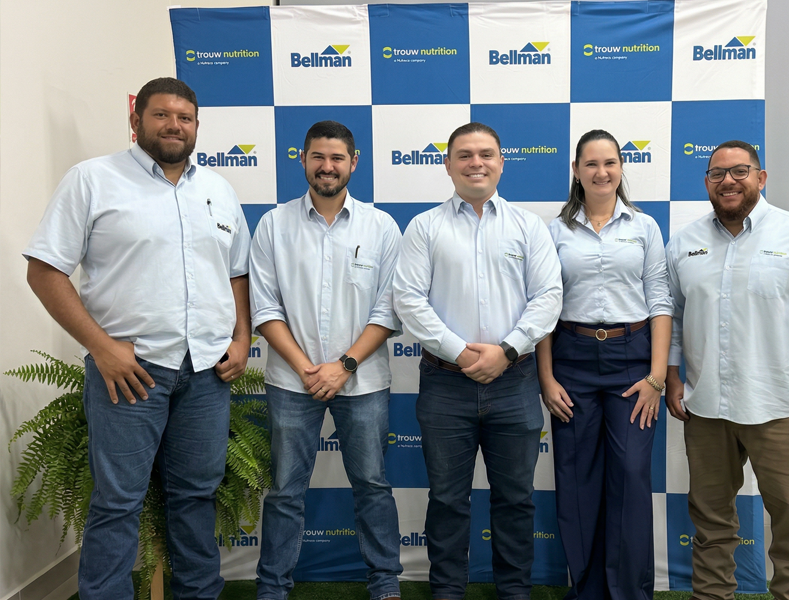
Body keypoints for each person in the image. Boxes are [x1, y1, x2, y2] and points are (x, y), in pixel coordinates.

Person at [23, 77, 251, 599]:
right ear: (136, 120)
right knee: (117, 502)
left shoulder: (218, 190)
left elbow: (236, 272)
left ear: (197, 126)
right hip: (131, 374)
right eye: (161, 115)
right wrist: (102, 348)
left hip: (207, 374)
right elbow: (45, 270)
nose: (174, 125)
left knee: (196, 497)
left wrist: (242, 338)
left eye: (185, 118)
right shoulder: (92, 180)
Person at [665, 141, 789, 600]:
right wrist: (673, 376)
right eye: (717, 174)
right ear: (707, 183)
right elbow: (673, 318)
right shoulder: (684, 243)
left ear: (761, 177)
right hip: (707, 408)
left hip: (784, 408)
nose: (728, 181)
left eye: (739, 171)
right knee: (710, 523)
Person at [393, 122, 562, 600]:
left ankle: (515, 590)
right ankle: (447, 589)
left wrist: (506, 351)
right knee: (448, 498)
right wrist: (462, 352)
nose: (476, 163)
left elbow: (549, 297)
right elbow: (408, 299)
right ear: (447, 165)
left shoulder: (528, 226)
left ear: (502, 162)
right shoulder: (425, 227)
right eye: (464, 155)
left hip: (515, 381)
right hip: (446, 383)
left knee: (516, 499)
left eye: (486, 154)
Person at [250, 120, 403, 600]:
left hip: (362, 380)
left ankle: (385, 583)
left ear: (354, 163)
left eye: (337, 158)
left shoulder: (381, 227)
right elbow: (264, 308)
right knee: (284, 490)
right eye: (318, 156)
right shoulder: (274, 225)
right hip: (290, 382)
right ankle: (272, 587)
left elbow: (388, 310)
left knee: (373, 485)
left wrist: (344, 366)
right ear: (303, 160)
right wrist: (306, 368)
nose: (327, 166)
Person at [536, 129, 673, 600]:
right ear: (576, 171)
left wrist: (657, 377)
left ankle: (630, 592)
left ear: (621, 168)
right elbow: (545, 307)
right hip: (570, 360)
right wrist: (546, 377)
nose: (601, 172)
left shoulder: (644, 227)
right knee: (577, 478)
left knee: (631, 475)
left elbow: (660, 301)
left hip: (632, 361)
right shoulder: (553, 232)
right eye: (591, 164)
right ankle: (588, 591)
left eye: (610, 162)